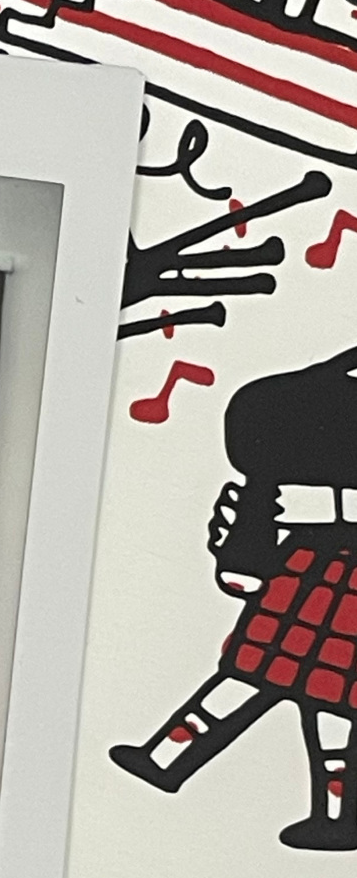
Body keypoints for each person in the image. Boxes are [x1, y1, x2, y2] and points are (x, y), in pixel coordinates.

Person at [111, 345, 357, 850]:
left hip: (319, 595)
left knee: (305, 703)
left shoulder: (284, 479)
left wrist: (246, 560)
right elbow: (246, 562)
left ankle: (334, 818)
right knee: (258, 688)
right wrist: (244, 556)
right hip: (299, 590)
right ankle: (164, 761)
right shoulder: (278, 496)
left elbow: (246, 564)